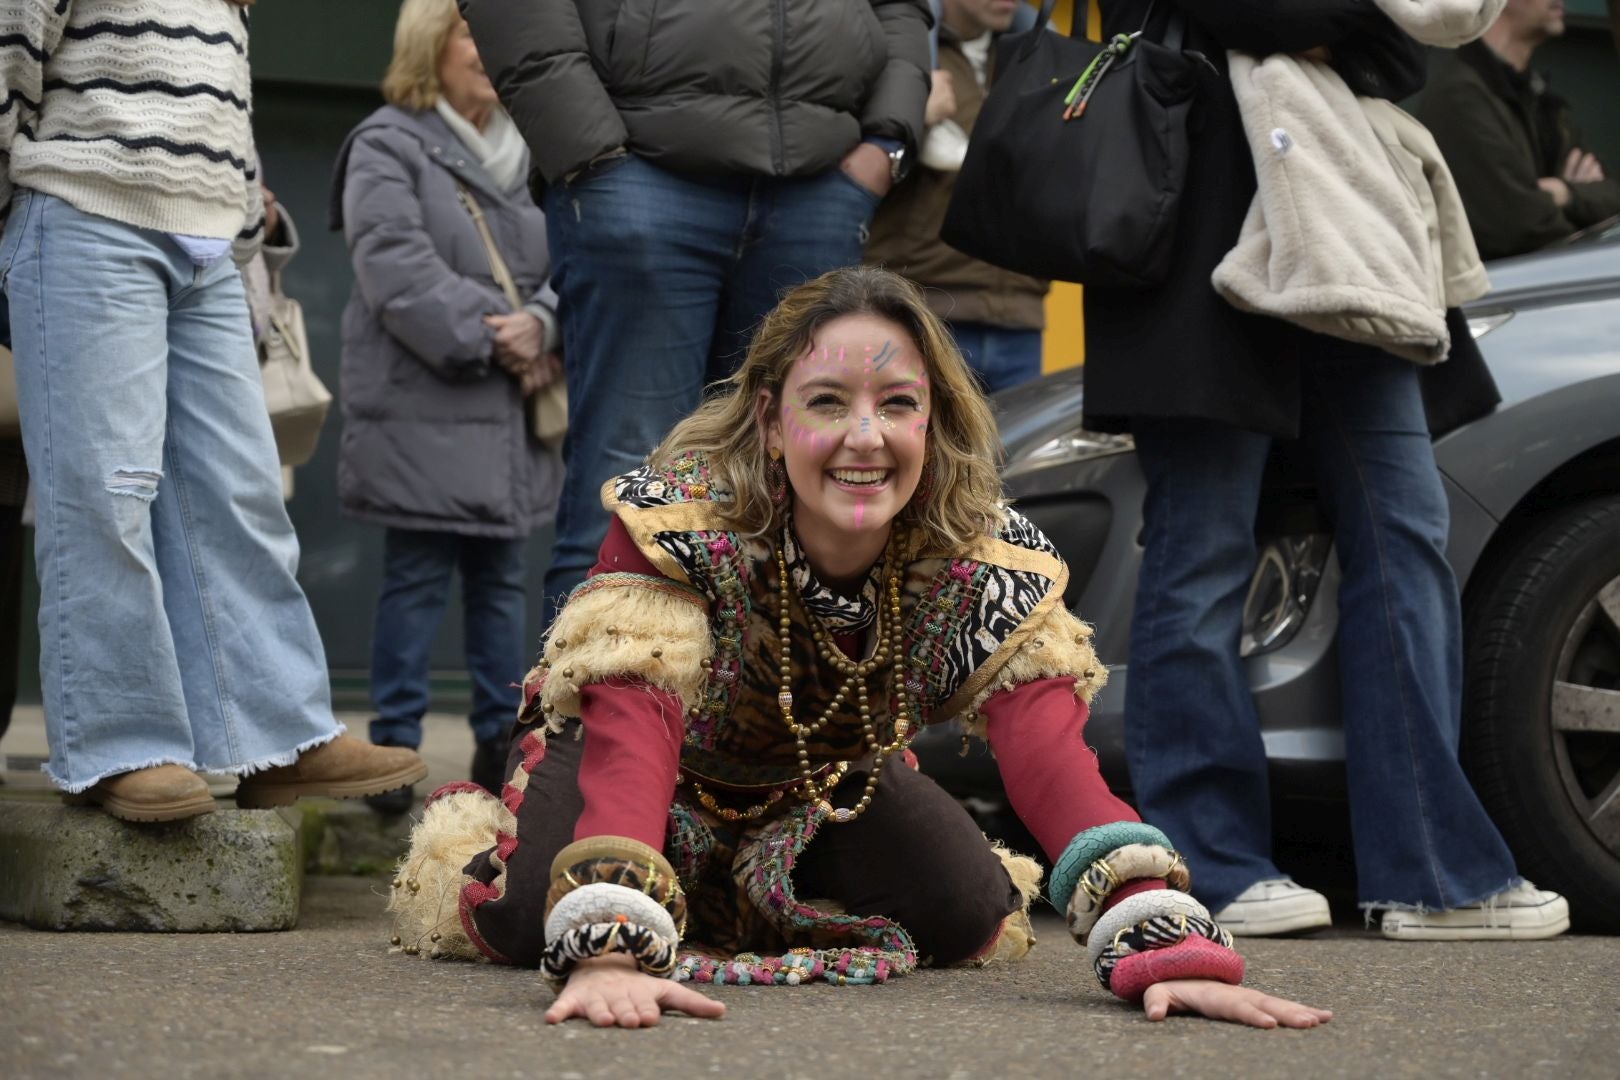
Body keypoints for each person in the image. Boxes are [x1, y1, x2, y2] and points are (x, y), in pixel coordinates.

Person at [385, 267, 1332, 1031]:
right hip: (638, 767)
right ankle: (498, 825)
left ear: (933, 419)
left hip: (816, 777)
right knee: (526, 921)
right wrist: (607, 943)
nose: (865, 438)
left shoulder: (982, 555)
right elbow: (635, 726)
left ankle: (757, 885)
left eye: (897, 404)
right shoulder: (679, 518)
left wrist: (1165, 946)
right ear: (768, 419)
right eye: (827, 402)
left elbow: (1050, 753)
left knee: (969, 913)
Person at [1085, 0, 1569, 940]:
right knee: (1203, 543)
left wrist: (1315, 24)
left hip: (1341, 218)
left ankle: (1434, 872)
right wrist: (1321, 20)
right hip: (1201, 208)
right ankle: (1210, 863)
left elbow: (1407, 52)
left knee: (1408, 534)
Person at [0, 0, 426, 822]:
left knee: (240, 492)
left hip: (208, 245)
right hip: (88, 207)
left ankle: (278, 737)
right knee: (107, 492)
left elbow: (219, 77)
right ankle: (119, 745)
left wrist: (236, 220)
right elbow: (14, 37)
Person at [457, 0, 933, 625]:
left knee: (790, 488)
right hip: (639, 170)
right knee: (626, 479)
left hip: (817, 182)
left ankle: (752, 717)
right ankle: (591, 714)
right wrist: (588, 155)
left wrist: (887, 141)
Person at [332, 0, 565, 809]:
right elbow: (393, 265)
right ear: (430, 42)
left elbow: (576, 253)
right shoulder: (387, 143)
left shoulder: (539, 148)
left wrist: (544, 321)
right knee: (417, 579)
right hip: (424, 405)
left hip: (509, 415)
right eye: (470, 28)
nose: (487, 47)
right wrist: (494, 333)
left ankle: (501, 756)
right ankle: (394, 760)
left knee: (505, 582)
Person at [867, 0, 1049, 394]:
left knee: (1008, 457)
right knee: (919, 454)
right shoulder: (897, 47)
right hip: (920, 311)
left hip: (1020, 315)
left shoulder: (1042, 55)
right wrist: (911, 113)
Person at [1416, 0, 1620, 260]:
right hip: (1504, 294)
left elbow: (1612, 197)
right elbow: (1519, 226)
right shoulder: (1459, 97)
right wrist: (1580, 208)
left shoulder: (1536, 96)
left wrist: (1564, 192)